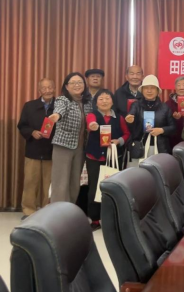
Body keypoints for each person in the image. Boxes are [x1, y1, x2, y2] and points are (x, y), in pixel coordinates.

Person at [85, 89, 129, 230]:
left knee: (112, 187)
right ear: (96, 102)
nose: (104, 101)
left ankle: (111, 218)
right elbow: (90, 123)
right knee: (94, 188)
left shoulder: (119, 118)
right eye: (101, 99)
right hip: (95, 157)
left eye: (107, 98)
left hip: (113, 158)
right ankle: (95, 219)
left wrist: (119, 141)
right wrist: (92, 126)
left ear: (112, 101)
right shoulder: (92, 115)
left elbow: (127, 134)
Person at [48, 72, 93, 203]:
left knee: (74, 183)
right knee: (60, 182)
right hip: (63, 146)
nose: (77, 85)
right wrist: (56, 116)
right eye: (73, 83)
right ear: (67, 87)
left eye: (79, 82)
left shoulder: (88, 103)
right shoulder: (63, 100)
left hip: (81, 148)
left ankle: (69, 210)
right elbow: (60, 110)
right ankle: (57, 211)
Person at [17, 78, 56, 219]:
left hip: (52, 151)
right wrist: (32, 132)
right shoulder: (29, 106)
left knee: (49, 183)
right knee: (30, 182)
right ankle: (29, 211)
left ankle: (47, 211)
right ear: (39, 90)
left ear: (54, 88)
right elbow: (22, 125)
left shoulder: (59, 106)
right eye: (44, 88)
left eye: (50, 87)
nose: (47, 90)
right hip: (33, 149)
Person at [126, 75, 176, 155]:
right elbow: (131, 120)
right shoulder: (136, 105)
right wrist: (130, 121)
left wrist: (161, 130)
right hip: (140, 147)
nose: (149, 91)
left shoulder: (165, 107)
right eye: (146, 88)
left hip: (160, 148)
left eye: (152, 88)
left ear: (157, 91)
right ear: (142, 90)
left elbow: (173, 128)